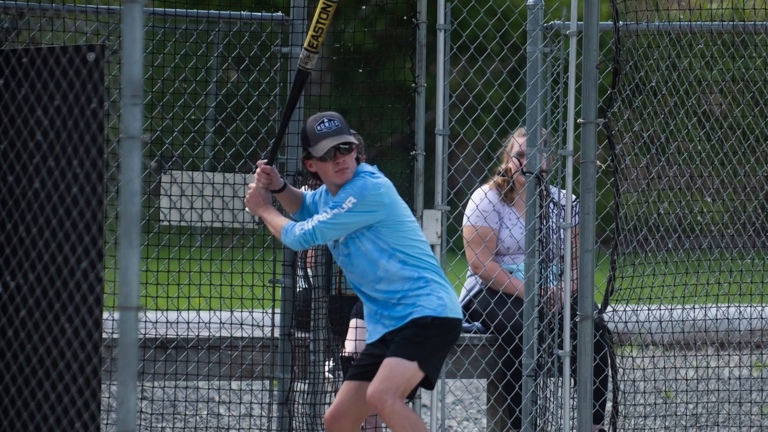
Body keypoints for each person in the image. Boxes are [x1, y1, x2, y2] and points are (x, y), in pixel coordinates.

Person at [244, 111, 462, 432]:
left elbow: (300, 234)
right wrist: (277, 186)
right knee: (338, 419)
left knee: (382, 395)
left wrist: (263, 209)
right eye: (328, 154)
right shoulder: (333, 194)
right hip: (388, 323)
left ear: (356, 149)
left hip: (426, 312)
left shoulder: (367, 188)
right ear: (311, 164)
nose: (340, 158)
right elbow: (304, 205)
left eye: (345, 148)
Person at [459, 127, 611, 432]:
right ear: (508, 159)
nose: (527, 163)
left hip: (552, 288)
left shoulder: (564, 201)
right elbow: (480, 264)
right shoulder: (487, 199)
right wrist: (532, 292)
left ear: (549, 160)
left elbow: (578, 264)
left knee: (592, 326)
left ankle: (593, 426)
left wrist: (565, 290)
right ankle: (521, 426)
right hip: (494, 289)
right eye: (520, 156)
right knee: (522, 326)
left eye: (536, 155)